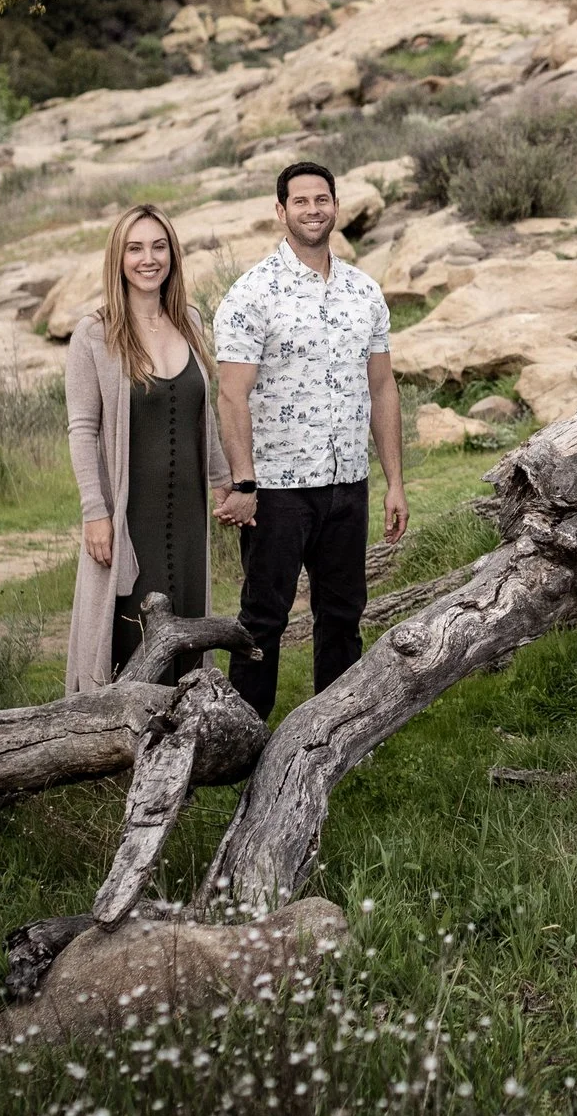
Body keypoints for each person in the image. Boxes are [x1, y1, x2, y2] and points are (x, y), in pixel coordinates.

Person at [212, 161, 408, 718]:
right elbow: (231, 396)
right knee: (264, 617)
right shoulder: (252, 294)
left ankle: (335, 730)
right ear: (281, 211)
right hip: (278, 489)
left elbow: (382, 384)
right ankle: (241, 737)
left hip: (349, 482)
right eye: (300, 201)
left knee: (343, 614)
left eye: (322, 199)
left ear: (336, 207)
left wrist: (395, 481)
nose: (313, 210)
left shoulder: (363, 292)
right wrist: (244, 481)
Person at [64, 205, 233, 694]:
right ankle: (112, 740)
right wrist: (95, 512)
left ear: (173, 255)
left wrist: (224, 482)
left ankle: (185, 729)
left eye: (158, 247)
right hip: (129, 513)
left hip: (187, 513)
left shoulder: (192, 321)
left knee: (186, 611)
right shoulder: (93, 335)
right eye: (135, 248)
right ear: (118, 257)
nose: (148, 258)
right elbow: (81, 429)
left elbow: (205, 416)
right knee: (131, 625)